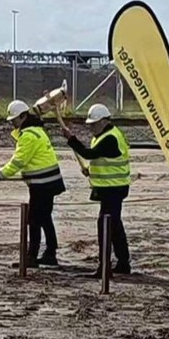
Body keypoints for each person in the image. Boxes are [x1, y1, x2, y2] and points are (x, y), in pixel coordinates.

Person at [0, 100, 65, 267]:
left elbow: (18, 162)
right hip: (49, 182)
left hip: (42, 184)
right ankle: (50, 253)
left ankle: (32, 256)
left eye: (14, 119)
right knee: (45, 218)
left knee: (34, 220)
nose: (12, 123)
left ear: (23, 117)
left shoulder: (28, 136)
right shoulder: (37, 131)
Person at [61, 103, 131, 277]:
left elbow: (89, 154)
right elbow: (100, 158)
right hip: (110, 188)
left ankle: (105, 267)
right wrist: (90, 170)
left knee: (106, 226)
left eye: (94, 124)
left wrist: (72, 140)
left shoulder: (110, 137)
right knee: (115, 226)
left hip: (114, 189)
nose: (91, 127)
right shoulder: (102, 136)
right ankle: (123, 262)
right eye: (90, 124)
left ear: (105, 121)